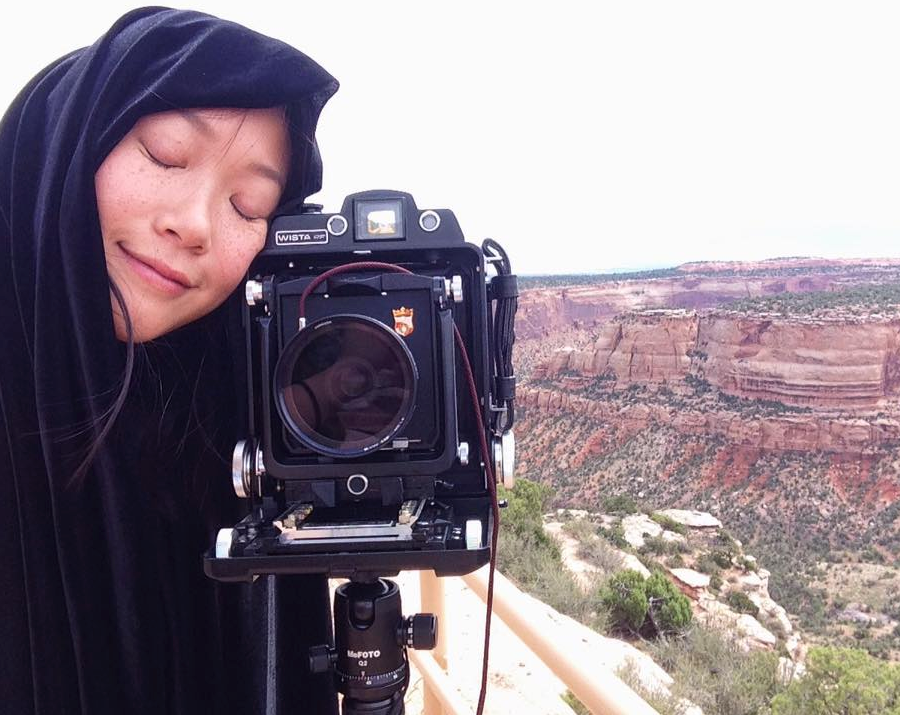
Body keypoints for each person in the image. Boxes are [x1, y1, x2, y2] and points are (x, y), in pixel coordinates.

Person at [0, 8, 341, 714]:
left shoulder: (224, 447)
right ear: (68, 142)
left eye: (248, 205)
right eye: (164, 154)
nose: (193, 224)